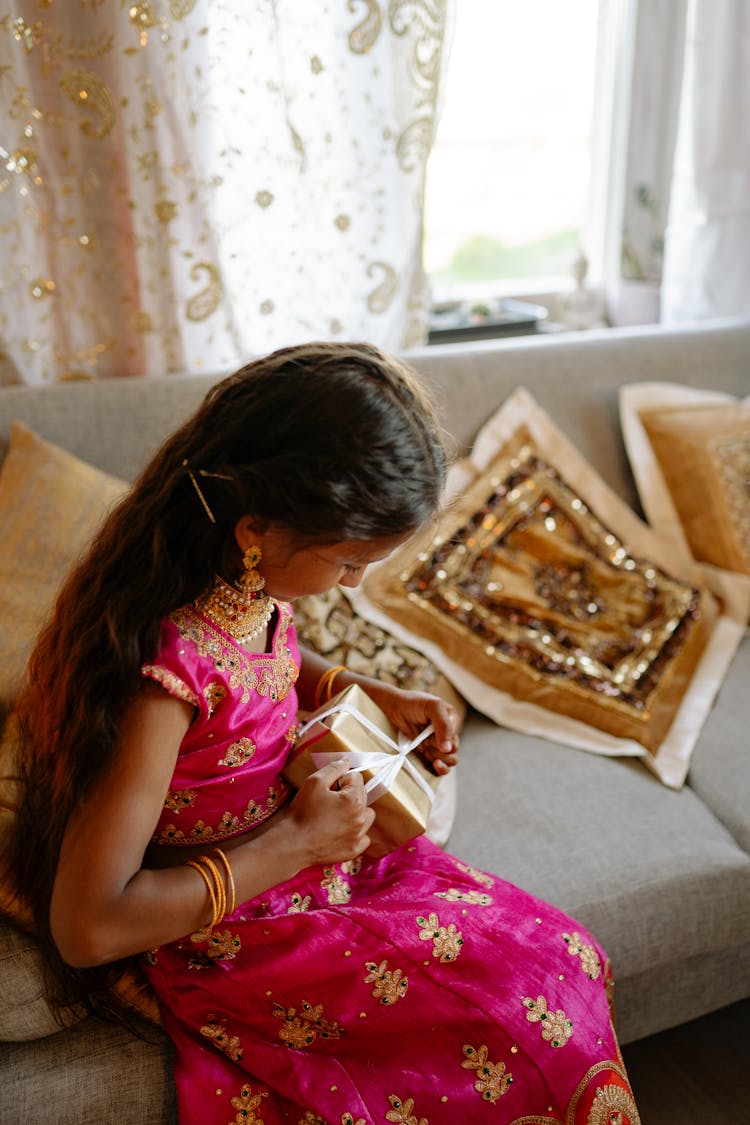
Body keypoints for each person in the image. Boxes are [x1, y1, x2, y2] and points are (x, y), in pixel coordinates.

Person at [10, 342, 639, 1124]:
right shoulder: (158, 683)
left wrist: (359, 687)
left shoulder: (243, 583)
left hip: (317, 868)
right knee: (518, 1030)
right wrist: (297, 844)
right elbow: (88, 924)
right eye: (348, 563)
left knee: (564, 956)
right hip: (239, 935)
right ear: (255, 528)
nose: (357, 582)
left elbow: (264, 657)